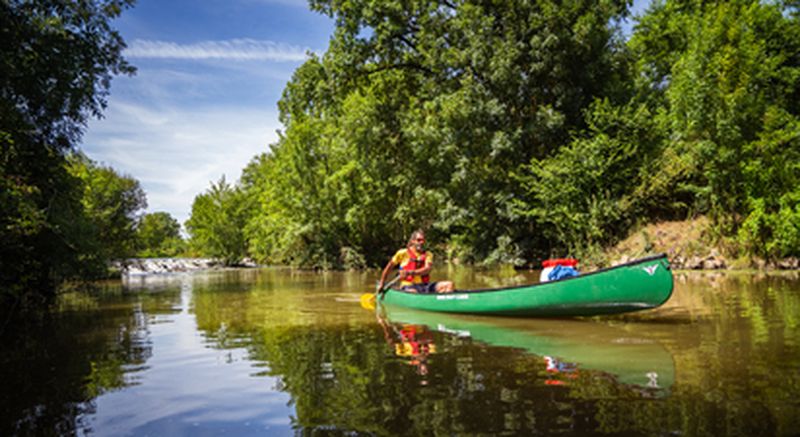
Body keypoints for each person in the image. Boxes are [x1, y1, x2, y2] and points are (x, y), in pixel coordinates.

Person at [377, 229, 455, 294]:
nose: (421, 242)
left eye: (423, 240)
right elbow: (389, 268)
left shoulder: (428, 254)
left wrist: (410, 272)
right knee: (413, 292)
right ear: (413, 241)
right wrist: (382, 282)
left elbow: (427, 269)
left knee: (449, 285)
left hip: (425, 285)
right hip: (408, 286)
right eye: (418, 240)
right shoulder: (402, 253)